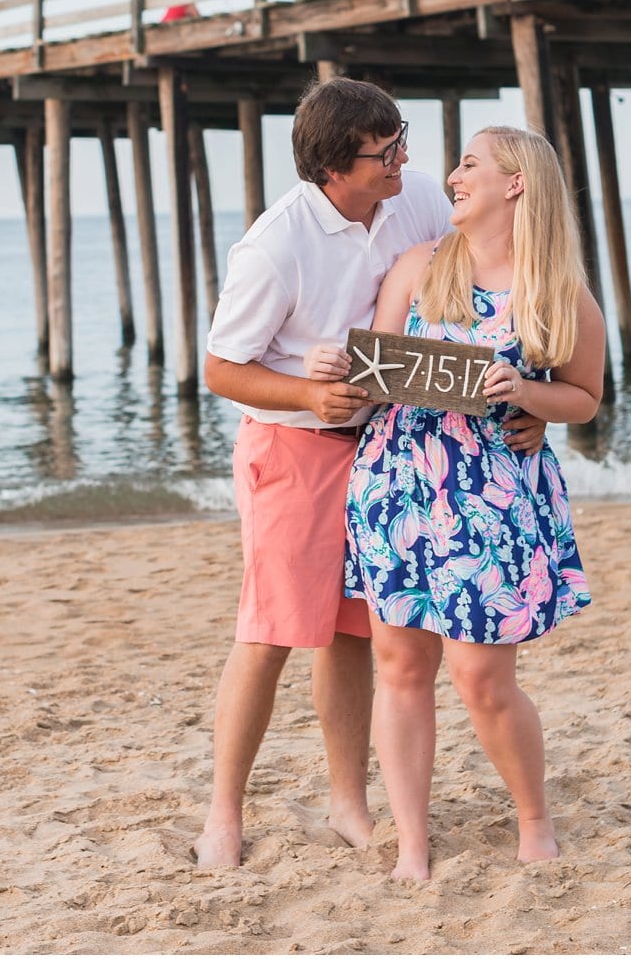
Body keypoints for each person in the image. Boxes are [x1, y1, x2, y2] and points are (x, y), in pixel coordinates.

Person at [195, 78, 546, 868]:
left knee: (356, 631)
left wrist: (538, 402)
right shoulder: (276, 245)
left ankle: (348, 800)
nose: (405, 159)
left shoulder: (414, 197)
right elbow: (220, 367)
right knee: (272, 629)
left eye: (402, 138)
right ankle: (223, 811)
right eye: (384, 151)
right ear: (332, 168)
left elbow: (499, 287)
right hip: (292, 444)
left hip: (388, 449)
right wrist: (309, 392)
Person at [307, 124, 602, 881]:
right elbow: (371, 376)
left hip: (491, 497)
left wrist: (528, 391)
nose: (454, 173)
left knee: (482, 678)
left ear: (517, 184)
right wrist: (335, 369)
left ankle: (533, 816)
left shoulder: (556, 290)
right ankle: (411, 841)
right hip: (399, 482)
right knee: (400, 666)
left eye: (472, 162)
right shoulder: (420, 266)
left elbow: (586, 396)